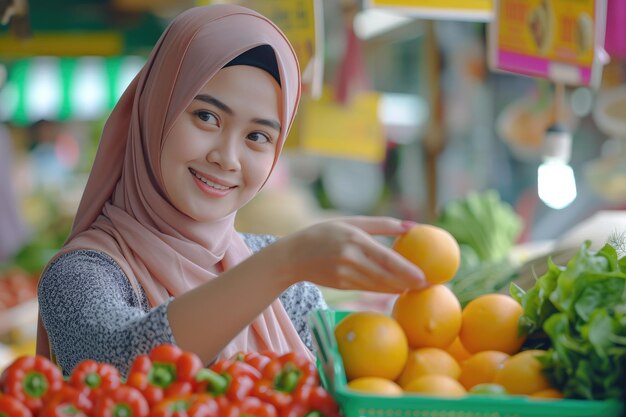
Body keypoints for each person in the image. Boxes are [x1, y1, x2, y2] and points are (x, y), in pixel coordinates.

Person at [36, 4, 426, 376]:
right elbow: (115, 362)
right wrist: (283, 264)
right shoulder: (82, 274)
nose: (227, 158)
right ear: (156, 110)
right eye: (206, 116)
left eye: (257, 136)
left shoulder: (291, 292)